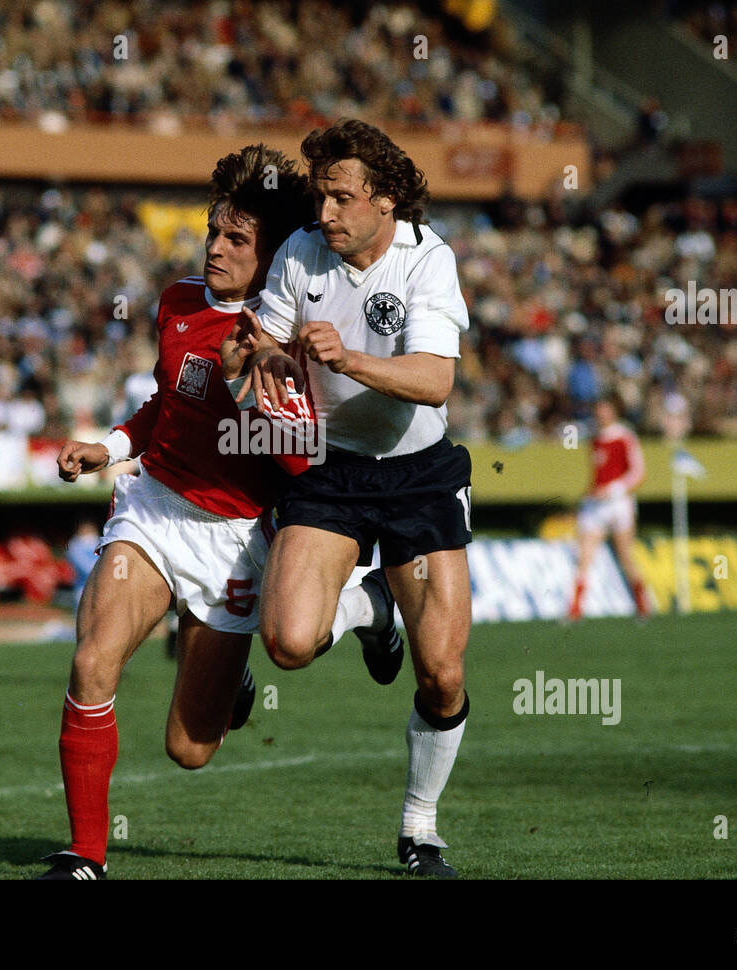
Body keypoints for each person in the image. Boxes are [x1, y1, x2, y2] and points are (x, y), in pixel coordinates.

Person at [41, 144, 397, 880]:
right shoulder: (176, 303)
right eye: (213, 231)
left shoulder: (284, 341)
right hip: (155, 507)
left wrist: (253, 385)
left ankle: (365, 608)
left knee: (189, 750)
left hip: (235, 539)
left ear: (269, 257)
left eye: (236, 239)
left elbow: (300, 461)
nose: (215, 247)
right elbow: (161, 407)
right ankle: (85, 857)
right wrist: (106, 448)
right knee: (92, 660)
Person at [228, 119, 472, 877]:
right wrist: (267, 353)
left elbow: (435, 381)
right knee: (289, 644)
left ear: (385, 199)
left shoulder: (427, 259)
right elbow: (253, 339)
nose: (324, 213)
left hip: (419, 474)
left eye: (340, 198)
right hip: (331, 472)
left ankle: (419, 828)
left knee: (443, 674)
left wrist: (351, 358)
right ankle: (373, 610)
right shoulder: (302, 254)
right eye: (322, 197)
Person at [568, 396, 651, 621]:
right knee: (584, 557)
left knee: (626, 556)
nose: (601, 413)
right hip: (596, 505)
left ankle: (642, 604)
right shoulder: (594, 438)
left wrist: (613, 490)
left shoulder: (625, 436)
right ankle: (575, 609)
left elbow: (638, 473)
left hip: (619, 503)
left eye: (605, 409)